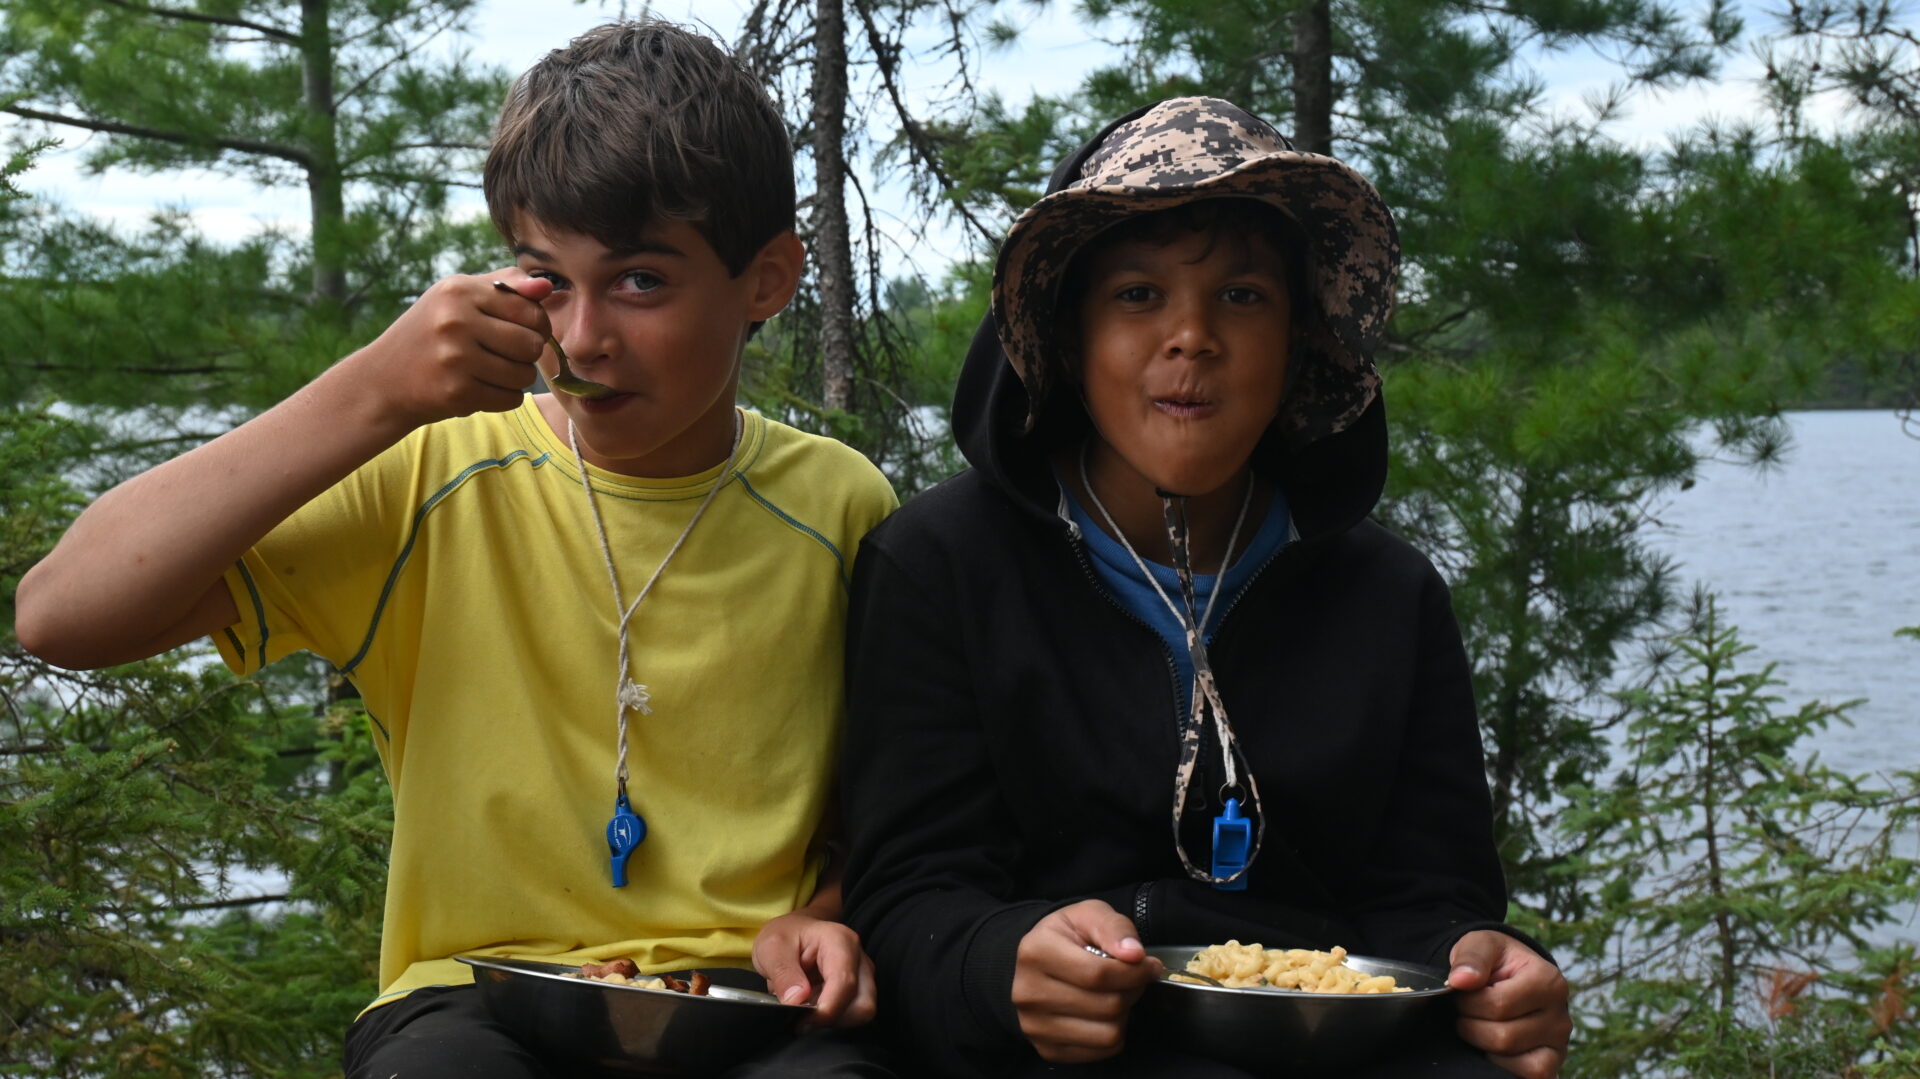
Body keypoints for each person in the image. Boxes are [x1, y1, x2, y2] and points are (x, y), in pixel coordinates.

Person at [15, 21, 898, 1079]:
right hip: (468, 996)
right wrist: (377, 389)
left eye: (640, 282)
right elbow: (62, 613)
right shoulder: (432, 475)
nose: (581, 338)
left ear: (766, 279)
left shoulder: (839, 503)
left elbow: (882, 800)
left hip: (751, 1002)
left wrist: (828, 916)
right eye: (545, 280)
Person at [838, 97, 1572, 1078]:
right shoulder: (940, 567)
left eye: (1243, 297)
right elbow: (909, 893)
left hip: (1321, 1048)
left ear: (1303, 337)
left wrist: (1483, 964)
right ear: (1066, 333)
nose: (1193, 337)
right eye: (1139, 294)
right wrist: (996, 960)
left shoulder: (1390, 600)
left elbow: (1431, 898)